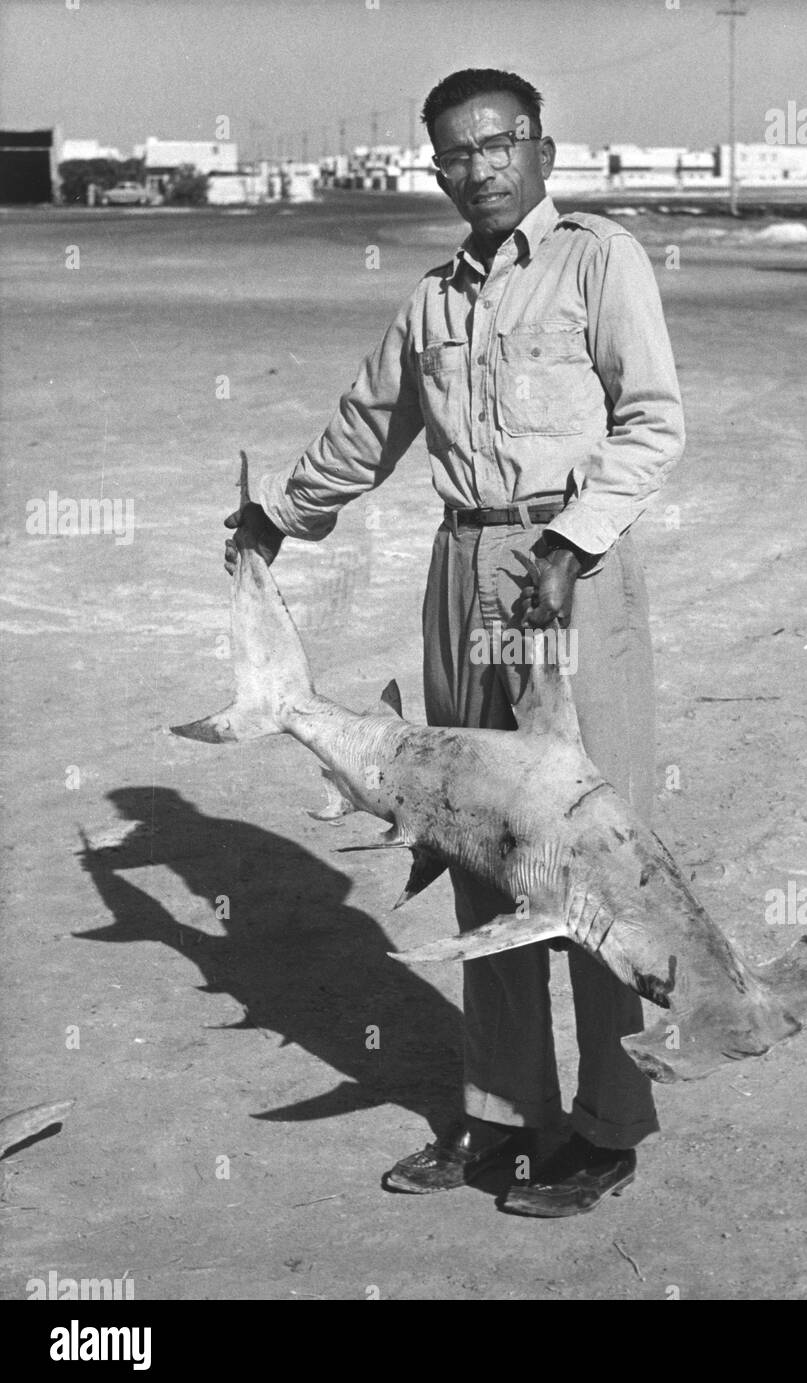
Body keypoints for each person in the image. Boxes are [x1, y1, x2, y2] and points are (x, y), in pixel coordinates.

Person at [224, 67, 685, 1217]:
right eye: (452, 155)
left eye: (495, 146)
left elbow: (652, 421)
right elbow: (367, 426)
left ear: (537, 146)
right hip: (461, 568)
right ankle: (503, 1116)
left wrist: (570, 545)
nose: (475, 170)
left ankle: (607, 1121)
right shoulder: (431, 301)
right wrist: (277, 516)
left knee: (582, 856)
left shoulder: (597, 259)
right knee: (474, 846)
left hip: (565, 575)